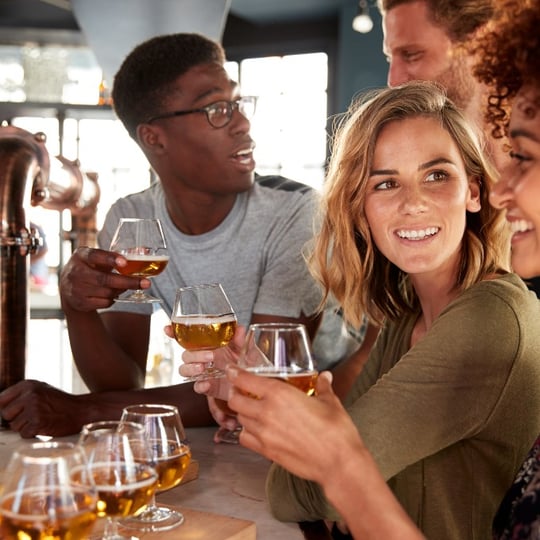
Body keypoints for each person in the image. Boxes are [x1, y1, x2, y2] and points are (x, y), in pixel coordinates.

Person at [183, 80, 540, 539]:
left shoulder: (488, 321)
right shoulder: (405, 314)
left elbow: (308, 489)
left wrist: (281, 416)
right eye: (386, 183)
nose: (412, 203)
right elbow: (334, 448)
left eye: (436, 175)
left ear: (473, 191)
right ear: (360, 207)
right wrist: (257, 384)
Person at [0, 32, 355, 438]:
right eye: (217, 109)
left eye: (237, 103)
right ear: (154, 137)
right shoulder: (132, 218)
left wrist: (80, 411)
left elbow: (264, 381)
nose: (242, 123)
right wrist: (76, 304)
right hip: (239, 430)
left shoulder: (296, 212)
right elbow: (120, 382)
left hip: (332, 422)